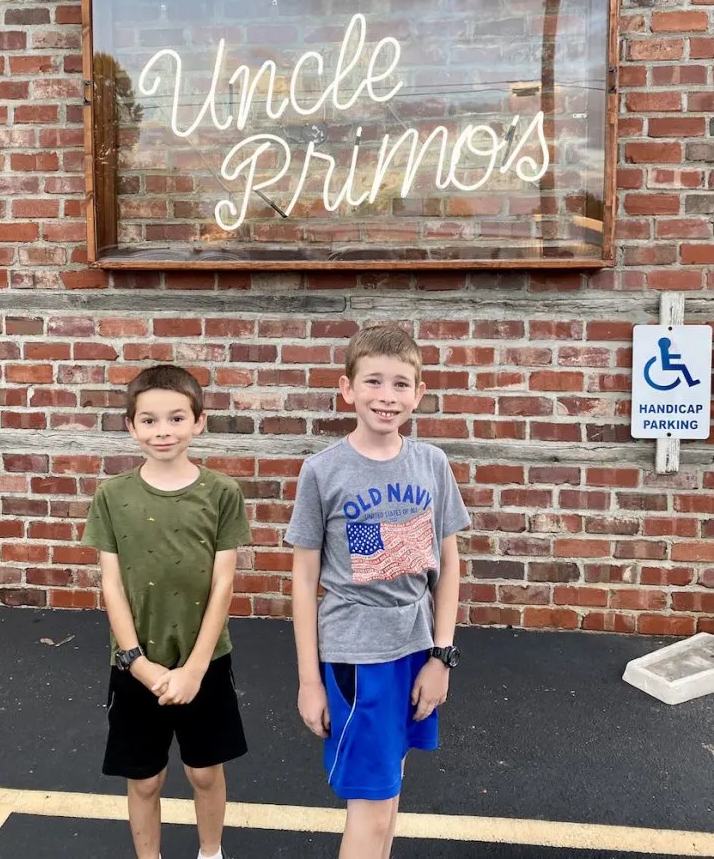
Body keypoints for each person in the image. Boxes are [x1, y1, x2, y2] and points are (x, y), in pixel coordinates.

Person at [285, 323, 470, 859]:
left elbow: (448, 566)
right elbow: (303, 582)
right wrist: (309, 681)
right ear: (347, 389)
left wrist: (441, 657)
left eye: (399, 384)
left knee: (390, 800)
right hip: (357, 658)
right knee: (369, 809)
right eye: (372, 382)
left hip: (415, 651)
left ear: (419, 394)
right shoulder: (323, 471)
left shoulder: (431, 463)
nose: (386, 397)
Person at [82, 364, 250, 859]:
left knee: (204, 771)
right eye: (149, 420)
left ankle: (211, 851)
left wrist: (196, 668)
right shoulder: (111, 497)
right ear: (131, 426)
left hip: (206, 662)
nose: (163, 431)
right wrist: (137, 661)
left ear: (199, 421)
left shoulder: (222, 493)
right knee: (146, 779)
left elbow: (223, 584)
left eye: (176, 418)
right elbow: (110, 583)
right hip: (137, 665)